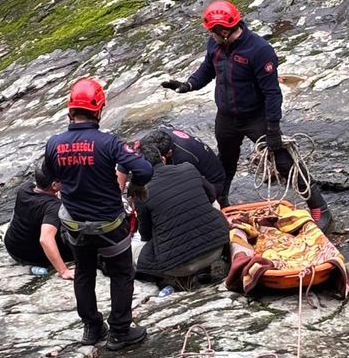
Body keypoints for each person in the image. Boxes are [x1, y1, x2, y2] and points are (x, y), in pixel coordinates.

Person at [161, 0, 333, 232]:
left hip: (256, 117)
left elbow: (272, 93)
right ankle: (221, 203)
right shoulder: (215, 45)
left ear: (224, 31)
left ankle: (320, 208)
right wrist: (188, 85)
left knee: (284, 161)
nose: (210, 35)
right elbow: (207, 70)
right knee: (225, 162)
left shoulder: (259, 50)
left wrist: (273, 128)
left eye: (213, 31)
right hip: (227, 117)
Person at [42, 77, 153, 351]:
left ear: (70, 110)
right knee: (121, 273)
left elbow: (48, 175)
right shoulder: (109, 143)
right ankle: (119, 332)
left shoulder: (54, 143)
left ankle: (92, 328)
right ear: (99, 110)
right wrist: (136, 185)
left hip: (75, 226)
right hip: (109, 224)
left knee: (84, 273)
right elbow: (145, 169)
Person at [133, 145, 229, 283]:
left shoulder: (141, 192)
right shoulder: (189, 168)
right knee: (214, 208)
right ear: (163, 159)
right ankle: (219, 263)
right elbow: (212, 196)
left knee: (141, 253)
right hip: (215, 250)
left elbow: (146, 234)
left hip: (178, 267)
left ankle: (172, 282)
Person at [3, 169, 74, 280]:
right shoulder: (53, 206)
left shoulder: (25, 188)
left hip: (12, 247)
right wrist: (63, 271)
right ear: (54, 185)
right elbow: (45, 239)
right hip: (32, 257)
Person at [138, 127, 225, 206]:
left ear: (169, 154)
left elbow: (183, 184)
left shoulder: (183, 158)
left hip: (212, 183)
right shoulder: (155, 139)